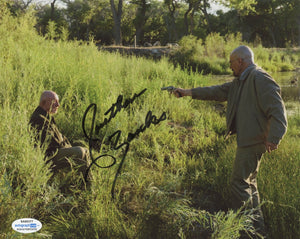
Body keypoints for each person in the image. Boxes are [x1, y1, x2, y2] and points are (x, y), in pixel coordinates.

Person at [172, 45, 287, 238]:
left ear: (240, 62)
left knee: (238, 184)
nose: (229, 66)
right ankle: (256, 231)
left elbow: (278, 110)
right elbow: (216, 91)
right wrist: (187, 92)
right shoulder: (240, 81)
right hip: (248, 140)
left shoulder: (260, 78)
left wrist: (274, 138)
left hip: (253, 141)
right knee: (249, 185)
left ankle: (246, 231)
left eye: (231, 63)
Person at [29, 90, 90, 187]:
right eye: (54, 102)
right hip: (48, 157)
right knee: (80, 152)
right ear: (44, 103)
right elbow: (50, 142)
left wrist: (64, 144)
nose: (58, 105)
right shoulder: (38, 118)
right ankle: (85, 186)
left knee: (86, 151)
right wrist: (65, 145)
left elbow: (60, 138)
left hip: (55, 152)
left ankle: (86, 183)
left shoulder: (46, 116)